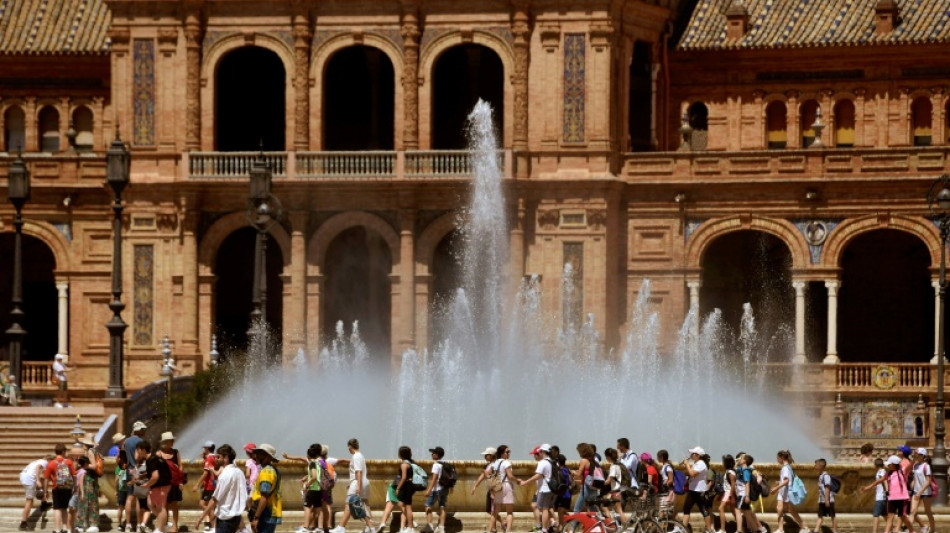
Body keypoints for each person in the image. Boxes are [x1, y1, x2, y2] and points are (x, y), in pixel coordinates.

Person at [331, 438, 376, 533]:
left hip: (358, 482)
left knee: (349, 503)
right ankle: (370, 526)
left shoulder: (356, 456)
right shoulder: (361, 456)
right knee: (365, 505)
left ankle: (341, 527)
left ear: (350, 447)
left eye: (348, 447)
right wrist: (351, 483)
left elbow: (358, 472)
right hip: (362, 482)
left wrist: (357, 485)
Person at [862, 455, 915, 533]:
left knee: (903, 516)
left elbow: (910, 466)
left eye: (889, 464)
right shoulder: (888, 473)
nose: (888, 465)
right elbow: (879, 481)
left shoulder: (902, 471)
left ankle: (911, 530)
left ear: (894, 464)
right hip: (892, 498)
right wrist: (868, 487)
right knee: (890, 516)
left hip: (902, 498)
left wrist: (915, 458)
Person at [207, 444, 247, 533]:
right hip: (236, 516)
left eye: (218, 457)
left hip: (225, 517)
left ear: (226, 458)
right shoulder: (239, 472)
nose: (216, 459)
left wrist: (201, 517)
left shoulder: (225, 475)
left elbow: (215, 498)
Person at [520, 444, 555, 533]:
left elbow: (538, 475)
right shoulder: (551, 461)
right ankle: (545, 527)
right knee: (545, 508)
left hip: (544, 488)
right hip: (550, 488)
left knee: (543, 509)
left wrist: (526, 482)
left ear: (542, 452)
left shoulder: (542, 462)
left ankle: (543, 529)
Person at [138, 440, 171, 533]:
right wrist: (142, 476)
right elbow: (153, 472)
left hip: (161, 485)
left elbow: (155, 476)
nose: (137, 452)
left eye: (138, 450)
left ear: (143, 450)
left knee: (160, 507)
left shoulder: (151, 459)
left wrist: (146, 485)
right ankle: (164, 523)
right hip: (160, 485)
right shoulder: (152, 458)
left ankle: (160, 529)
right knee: (150, 503)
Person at [44, 443, 77, 533]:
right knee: (64, 508)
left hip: (56, 487)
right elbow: (74, 475)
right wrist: (75, 487)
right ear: (63, 452)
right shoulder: (69, 462)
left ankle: (57, 529)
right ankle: (65, 528)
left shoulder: (51, 463)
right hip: (67, 487)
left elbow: (46, 478)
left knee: (57, 508)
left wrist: (45, 491)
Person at [250, 444, 283, 533]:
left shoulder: (266, 472)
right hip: (270, 512)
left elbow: (264, 497)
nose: (256, 456)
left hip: (265, 514)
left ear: (268, 457)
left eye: (260, 453)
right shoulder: (273, 470)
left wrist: (256, 518)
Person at [770, 450, 803, 533]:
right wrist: (779, 483)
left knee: (790, 510)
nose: (777, 460)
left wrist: (776, 488)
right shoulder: (788, 467)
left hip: (786, 492)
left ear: (781, 458)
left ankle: (804, 527)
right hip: (783, 492)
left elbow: (787, 481)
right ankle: (780, 529)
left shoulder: (785, 468)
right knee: (779, 509)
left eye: (778, 458)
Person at [157, 433, 184, 533]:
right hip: (164, 483)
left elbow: (180, 466)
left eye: (171, 441)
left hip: (174, 482)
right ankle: (165, 523)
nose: (172, 443)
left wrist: (181, 481)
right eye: (169, 441)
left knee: (174, 504)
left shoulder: (176, 452)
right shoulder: (159, 454)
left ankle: (175, 525)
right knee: (164, 505)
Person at [681, 446, 712, 533]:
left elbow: (693, 474)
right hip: (693, 490)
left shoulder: (701, 464)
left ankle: (709, 530)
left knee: (703, 509)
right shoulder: (697, 463)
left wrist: (687, 464)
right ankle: (684, 528)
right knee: (686, 508)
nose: (691, 455)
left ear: (698, 455)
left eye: (693, 453)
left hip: (699, 491)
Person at [492, 445, 520, 533]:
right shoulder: (506, 463)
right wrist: (517, 480)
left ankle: (492, 529)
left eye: (509, 451)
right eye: (507, 452)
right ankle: (508, 530)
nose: (509, 454)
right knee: (509, 512)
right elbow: (510, 476)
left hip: (498, 486)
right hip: (506, 485)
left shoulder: (495, 463)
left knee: (495, 511)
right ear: (502, 453)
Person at [19, 454, 51, 530]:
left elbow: (42, 476)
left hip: (24, 476)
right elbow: (37, 468)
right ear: (49, 460)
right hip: (29, 479)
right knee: (29, 501)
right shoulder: (44, 462)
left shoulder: (38, 461)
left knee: (42, 482)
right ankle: (23, 523)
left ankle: (44, 503)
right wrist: (37, 480)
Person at [192, 441, 219, 533]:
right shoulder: (214, 457)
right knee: (207, 505)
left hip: (209, 485)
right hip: (213, 484)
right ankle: (212, 525)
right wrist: (204, 457)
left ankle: (214, 526)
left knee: (204, 505)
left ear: (207, 448)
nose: (204, 450)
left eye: (204, 448)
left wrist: (197, 484)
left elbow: (205, 473)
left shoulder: (209, 458)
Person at [470, 447, 498, 533]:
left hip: (494, 489)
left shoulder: (495, 465)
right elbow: (482, 476)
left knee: (493, 510)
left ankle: (493, 529)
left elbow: (493, 477)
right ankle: (494, 528)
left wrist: (493, 491)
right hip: (491, 489)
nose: (485, 456)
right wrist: (475, 486)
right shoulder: (488, 465)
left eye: (486, 455)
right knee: (491, 510)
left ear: (492, 455)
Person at [394, 446, 419, 533]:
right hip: (411, 485)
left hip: (406, 486)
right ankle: (406, 526)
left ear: (401, 454)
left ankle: (410, 527)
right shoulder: (412, 462)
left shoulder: (404, 464)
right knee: (404, 505)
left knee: (407, 507)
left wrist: (398, 488)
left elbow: (403, 477)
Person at [424, 447, 448, 533]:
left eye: (433, 453)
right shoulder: (444, 464)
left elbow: (434, 479)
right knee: (442, 507)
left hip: (436, 489)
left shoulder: (436, 465)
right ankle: (441, 527)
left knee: (427, 506)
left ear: (437, 455)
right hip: (444, 489)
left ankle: (430, 526)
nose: (431, 454)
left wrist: (429, 490)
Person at [910, 448, 934, 533]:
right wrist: (912, 485)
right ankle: (910, 530)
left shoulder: (926, 466)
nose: (916, 455)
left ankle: (932, 529)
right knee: (912, 511)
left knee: (927, 511)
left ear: (923, 456)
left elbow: (928, 481)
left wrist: (920, 491)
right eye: (916, 454)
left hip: (925, 492)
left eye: (918, 454)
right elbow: (915, 478)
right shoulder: (915, 465)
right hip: (916, 491)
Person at [812, 458, 837, 533]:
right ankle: (816, 530)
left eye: (816, 465)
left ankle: (835, 530)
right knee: (820, 515)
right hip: (822, 500)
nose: (814, 466)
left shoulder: (825, 476)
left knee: (832, 515)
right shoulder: (821, 475)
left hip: (828, 500)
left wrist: (827, 500)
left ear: (820, 466)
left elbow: (827, 488)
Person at [603, 448, 628, 524]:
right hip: (617, 491)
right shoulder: (619, 464)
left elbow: (608, 480)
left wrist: (599, 483)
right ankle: (613, 524)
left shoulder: (614, 467)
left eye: (606, 456)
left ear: (609, 457)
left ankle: (618, 525)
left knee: (618, 510)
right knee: (607, 506)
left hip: (616, 491)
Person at [716, 455, 738, 533]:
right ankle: (741, 527)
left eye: (723, 462)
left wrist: (730, 496)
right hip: (728, 493)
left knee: (720, 508)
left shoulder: (730, 473)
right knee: (734, 511)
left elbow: (733, 485)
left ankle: (723, 530)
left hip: (728, 493)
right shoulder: (731, 471)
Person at [573, 443, 596, 513]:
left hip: (586, 489)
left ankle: (574, 524)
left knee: (577, 509)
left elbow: (578, 474)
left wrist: (572, 472)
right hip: (594, 489)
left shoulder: (584, 460)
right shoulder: (592, 460)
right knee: (592, 510)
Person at [867, 458, 887, 533]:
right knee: (884, 515)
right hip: (881, 496)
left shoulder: (882, 472)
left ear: (875, 465)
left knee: (876, 515)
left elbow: (884, 481)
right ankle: (893, 529)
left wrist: (886, 492)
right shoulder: (879, 472)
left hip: (880, 497)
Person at [115, 452, 130, 532]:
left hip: (121, 490)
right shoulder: (128, 466)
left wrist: (115, 490)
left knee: (120, 508)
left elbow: (116, 480)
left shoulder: (118, 467)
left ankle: (119, 525)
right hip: (129, 489)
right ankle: (128, 524)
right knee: (128, 507)